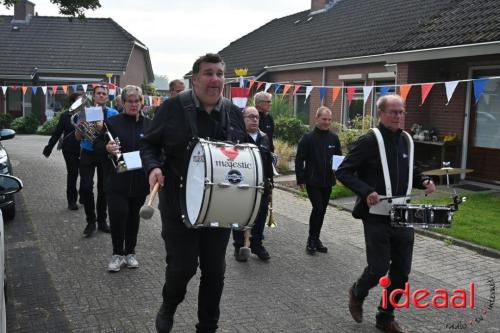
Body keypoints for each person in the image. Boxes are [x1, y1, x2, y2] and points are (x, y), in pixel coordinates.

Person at [140, 53, 246, 333]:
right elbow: (148, 145)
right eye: (209, 73)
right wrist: (152, 168)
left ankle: (208, 327)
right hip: (178, 203)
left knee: (215, 273)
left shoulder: (233, 113)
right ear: (195, 78)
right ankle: (169, 306)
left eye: (220, 74)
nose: (215, 79)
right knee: (183, 267)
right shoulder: (172, 108)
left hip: (219, 206)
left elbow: (246, 156)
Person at [335, 94, 436, 333]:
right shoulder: (369, 140)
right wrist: (366, 190)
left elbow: (412, 170)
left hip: (403, 214)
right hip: (376, 215)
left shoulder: (406, 141)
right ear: (381, 113)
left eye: (401, 112)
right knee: (379, 268)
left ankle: (385, 316)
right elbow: (344, 171)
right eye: (393, 112)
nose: (398, 116)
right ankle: (357, 292)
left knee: (401, 273)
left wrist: (424, 180)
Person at [100, 85, 151, 272]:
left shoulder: (149, 125)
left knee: (133, 218)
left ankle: (130, 253)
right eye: (130, 101)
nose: (134, 104)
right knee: (118, 215)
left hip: (139, 181)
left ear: (142, 103)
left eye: (137, 101)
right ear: (123, 102)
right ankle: (117, 254)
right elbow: (98, 146)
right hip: (116, 181)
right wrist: (106, 149)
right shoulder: (111, 123)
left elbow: (155, 151)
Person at [295, 106, 342, 255]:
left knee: (322, 211)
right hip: (312, 180)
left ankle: (316, 238)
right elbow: (299, 160)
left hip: (327, 181)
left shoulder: (334, 138)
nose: (327, 122)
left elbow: (338, 159)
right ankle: (311, 239)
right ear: (317, 119)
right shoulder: (308, 138)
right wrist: (300, 179)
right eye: (324, 119)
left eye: (329, 119)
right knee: (318, 208)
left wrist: (340, 174)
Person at [76, 83, 119, 237]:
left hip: (105, 153)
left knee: (104, 188)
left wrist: (103, 128)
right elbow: (78, 137)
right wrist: (79, 128)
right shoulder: (84, 112)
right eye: (98, 93)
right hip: (87, 151)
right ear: (93, 96)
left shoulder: (113, 113)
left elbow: (115, 135)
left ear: (107, 97)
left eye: (104, 93)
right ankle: (90, 222)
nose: (101, 95)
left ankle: (102, 221)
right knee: (86, 187)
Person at [232, 106, 273, 262]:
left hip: (261, 184)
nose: (254, 119)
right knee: (239, 215)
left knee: (261, 215)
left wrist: (270, 183)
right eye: (250, 116)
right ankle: (239, 246)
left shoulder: (264, 137)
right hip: (242, 185)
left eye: (256, 117)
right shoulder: (237, 138)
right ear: (243, 119)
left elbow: (268, 162)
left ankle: (256, 244)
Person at [43, 92, 83, 210]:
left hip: (85, 149)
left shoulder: (87, 115)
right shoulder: (66, 116)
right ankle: (71, 201)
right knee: (73, 174)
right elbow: (57, 132)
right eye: (79, 100)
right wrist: (49, 147)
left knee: (85, 175)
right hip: (69, 149)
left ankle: (83, 195)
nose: (82, 103)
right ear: (73, 102)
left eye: (83, 100)